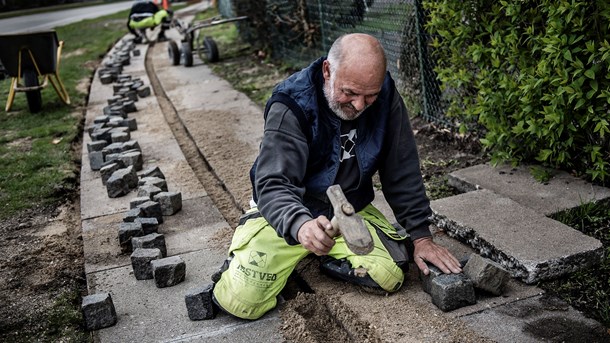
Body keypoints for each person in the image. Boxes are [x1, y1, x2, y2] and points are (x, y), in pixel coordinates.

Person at [206, 33, 462, 320]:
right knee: (241, 301)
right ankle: (257, 247)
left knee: (389, 274)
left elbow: (401, 167)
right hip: (291, 212)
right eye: (350, 93)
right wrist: (300, 225)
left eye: (371, 96)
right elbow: (273, 182)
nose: (360, 105)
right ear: (328, 71)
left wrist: (421, 237)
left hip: (347, 211)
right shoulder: (291, 104)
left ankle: (325, 255)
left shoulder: (386, 94)